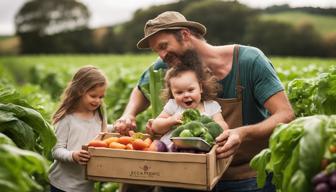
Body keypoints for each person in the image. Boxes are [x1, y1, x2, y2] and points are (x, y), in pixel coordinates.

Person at [115, 11, 295, 191]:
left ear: (185, 35)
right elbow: (140, 89)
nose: (161, 56)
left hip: (245, 177)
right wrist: (128, 114)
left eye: (164, 46)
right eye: (157, 50)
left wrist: (242, 133)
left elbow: (285, 114)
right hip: (188, 176)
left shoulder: (249, 61)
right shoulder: (171, 63)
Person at [49, 66, 108, 192]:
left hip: (86, 186)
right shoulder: (67, 119)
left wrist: (117, 128)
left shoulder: (99, 114)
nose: (98, 101)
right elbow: (56, 150)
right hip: (62, 185)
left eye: (101, 97)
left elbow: (100, 130)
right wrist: (73, 156)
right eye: (93, 96)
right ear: (79, 91)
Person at [151, 63, 228, 147]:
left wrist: (209, 127)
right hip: (171, 150)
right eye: (179, 92)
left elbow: (223, 126)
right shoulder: (173, 105)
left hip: (201, 152)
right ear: (172, 93)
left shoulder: (211, 106)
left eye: (190, 90)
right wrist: (170, 121)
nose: (186, 95)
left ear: (200, 88)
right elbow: (156, 126)